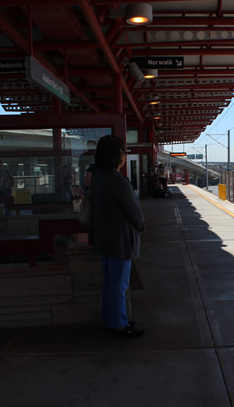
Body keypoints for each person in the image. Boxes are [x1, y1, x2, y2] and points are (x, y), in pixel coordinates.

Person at [90, 134, 145, 338]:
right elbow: (133, 211)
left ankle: (111, 318)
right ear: (117, 155)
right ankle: (119, 325)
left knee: (110, 284)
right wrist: (142, 224)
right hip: (120, 240)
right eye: (123, 152)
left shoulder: (99, 177)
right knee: (119, 285)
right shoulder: (117, 180)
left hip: (105, 237)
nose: (124, 155)